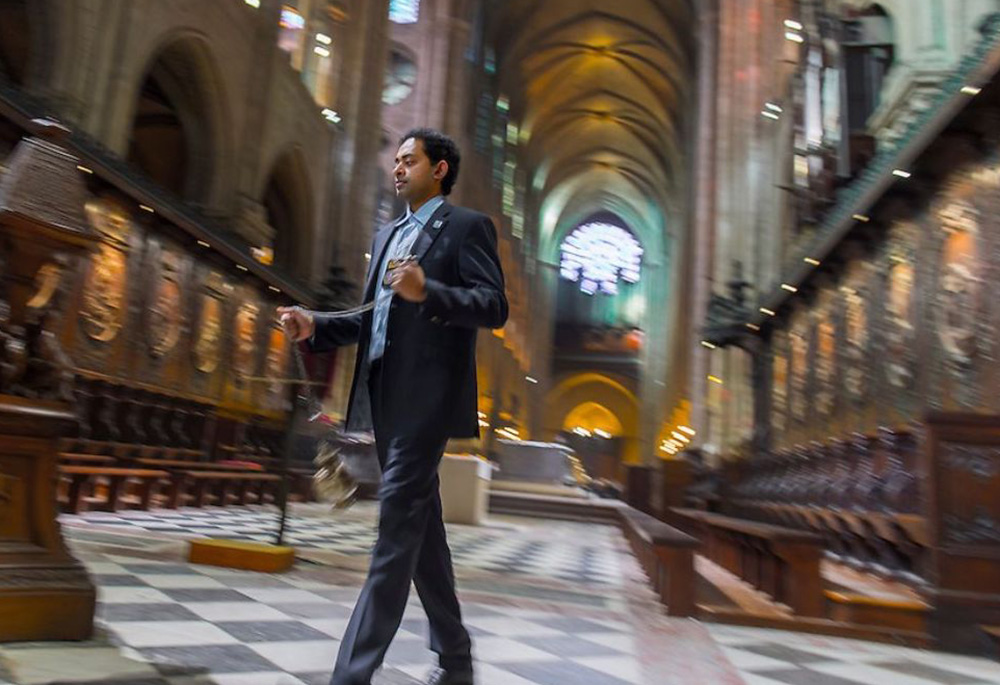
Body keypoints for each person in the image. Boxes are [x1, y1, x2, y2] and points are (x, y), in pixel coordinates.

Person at [278, 128, 508, 685]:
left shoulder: (466, 227)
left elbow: (494, 305)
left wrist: (430, 291)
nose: (398, 169)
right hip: (383, 395)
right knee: (421, 529)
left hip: (428, 398)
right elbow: (371, 317)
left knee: (393, 534)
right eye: (397, 161)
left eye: (410, 160)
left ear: (441, 170)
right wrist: (317, 326)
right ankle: (456, 661)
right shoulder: (387, 238)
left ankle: (350, 676)